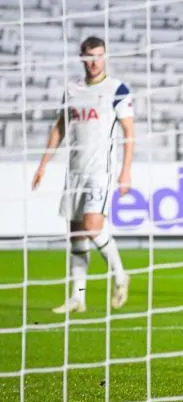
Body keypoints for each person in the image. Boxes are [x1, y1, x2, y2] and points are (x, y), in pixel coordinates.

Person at [32, 36, 134, 314]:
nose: (94, 62)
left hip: (100, 171)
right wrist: (43, 164)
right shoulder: (72, 90)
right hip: (74, 171)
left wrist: (126, 171)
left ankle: (120, 274)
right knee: (76, 235)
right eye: (89, 57)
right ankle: (78, 297)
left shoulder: (118, 89)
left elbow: (128, 132)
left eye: (99, 56)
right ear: (81, 58)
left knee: (92, 227)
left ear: (105, 57)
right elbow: (60, 127)